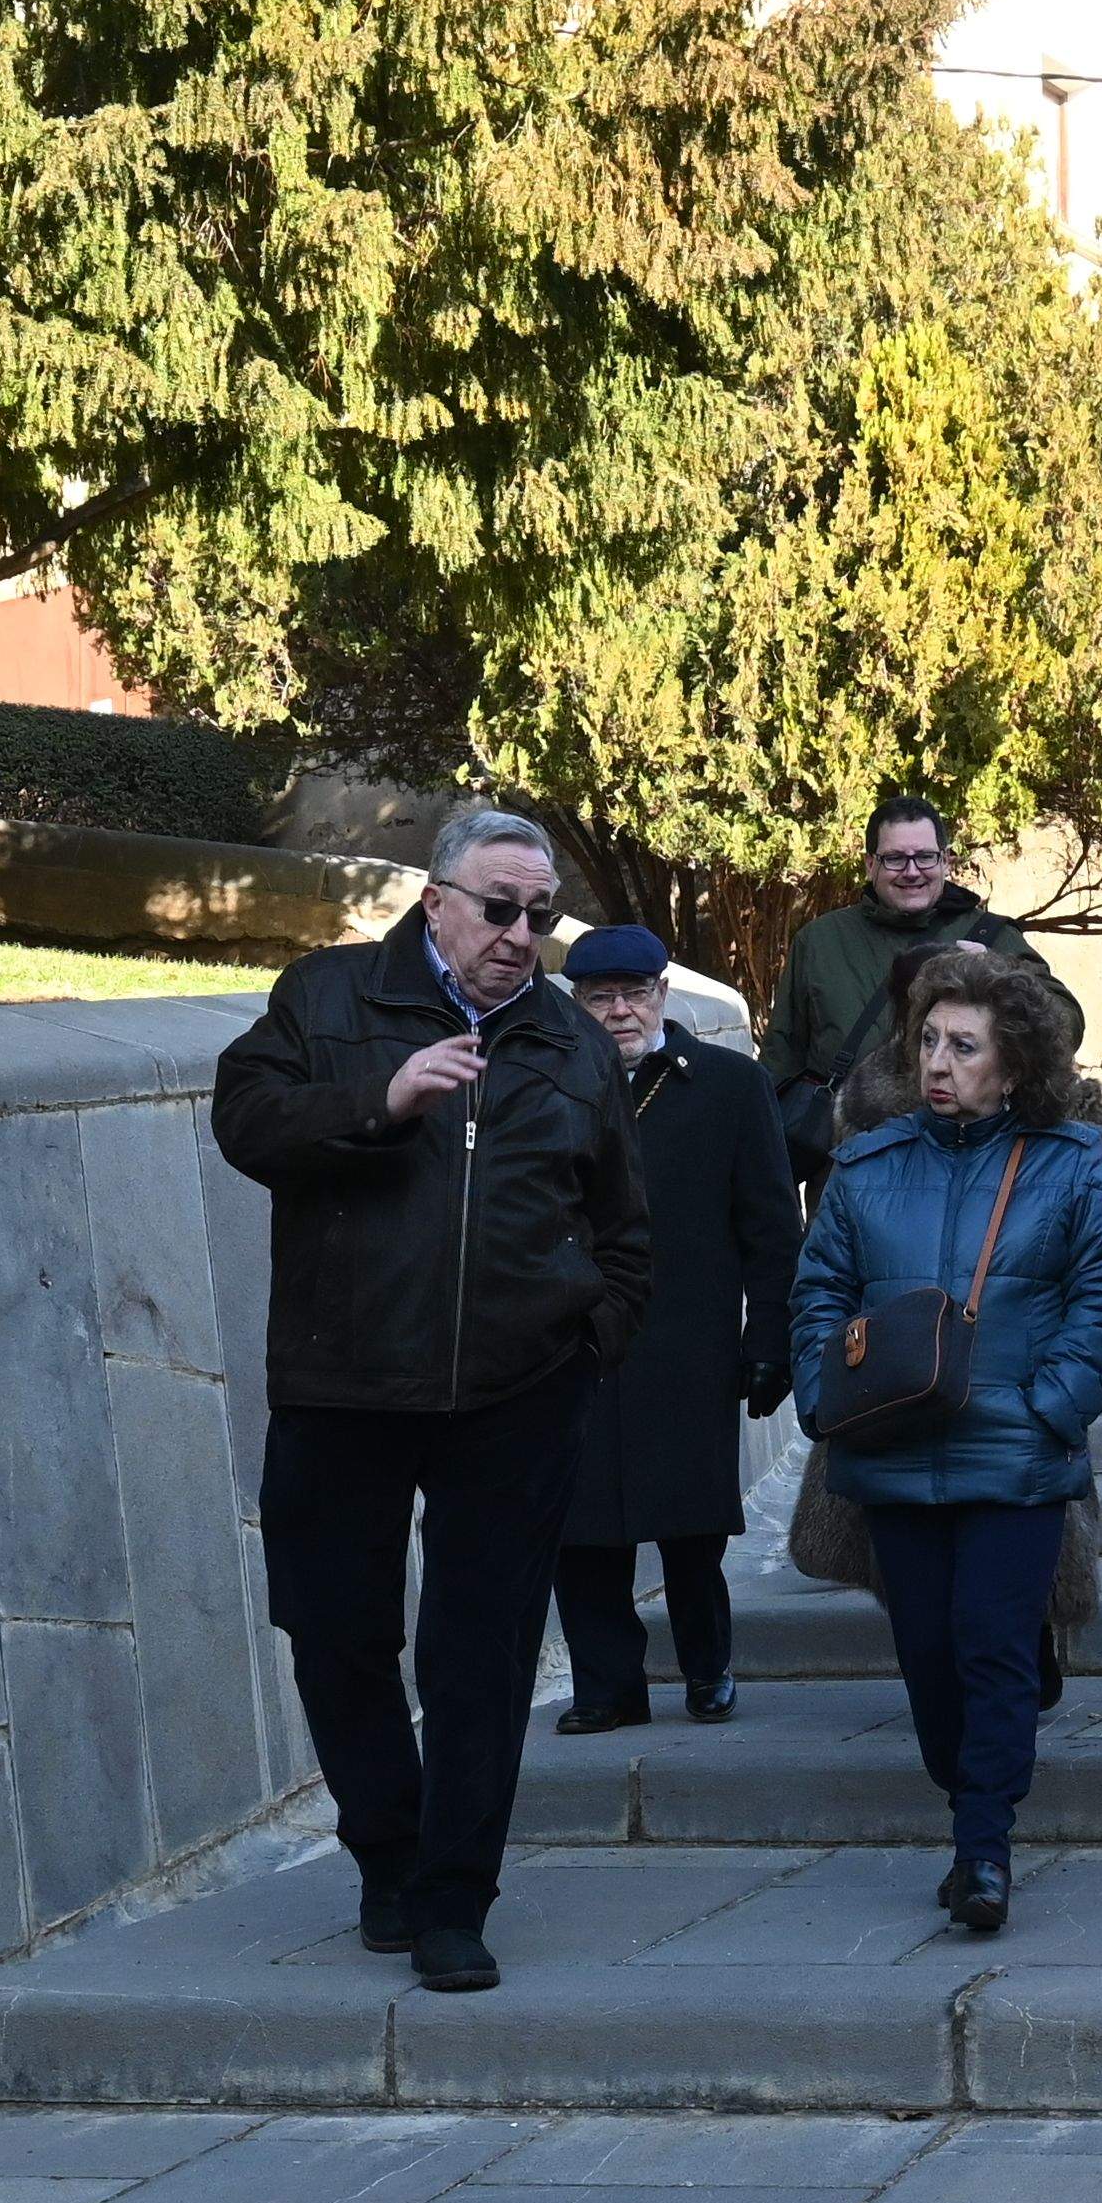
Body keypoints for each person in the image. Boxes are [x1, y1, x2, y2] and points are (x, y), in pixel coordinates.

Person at [212, 806, 650, 1996]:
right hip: (342, 1379)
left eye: (540, 916)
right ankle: (386, 1855)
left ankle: (456, 1897)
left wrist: (589, 1334)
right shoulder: (328, 997)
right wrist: (383, 1096)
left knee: (482, 1654)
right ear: (435, 900)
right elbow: (244, 1121)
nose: (519, 935)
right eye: (499, 908)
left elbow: (624, 1229)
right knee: (335, 1631)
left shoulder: (567, 1044)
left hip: (515, 1394)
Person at [791, 951, 1102, 1934]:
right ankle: (968, 1789)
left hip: (1016, 1453)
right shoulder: (868, 1165)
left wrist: (1054, 1405)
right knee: (928, 1658)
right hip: (895, 1452)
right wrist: (824, 1390)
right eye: (928, 1042)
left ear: (1013, 1062)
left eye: (965, 1045)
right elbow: (819, 1287)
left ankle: (983, 1845)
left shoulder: (1072, 1163)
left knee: (993, 1648)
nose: (939, 1061)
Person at [547, 925, 798, 1730]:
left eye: (635, 993)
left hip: (688, 1336)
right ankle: (607, 1687)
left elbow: (769, 1227)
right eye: (600, 997)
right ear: (576, 1003)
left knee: (691, 1526)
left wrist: (770, 1342)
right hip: (571, 1339)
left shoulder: (728, 1084)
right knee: (579, 1529)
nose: (620, 1011)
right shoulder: (547, 1082)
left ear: (662, 993)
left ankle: (706, 1667)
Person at [753, 794, 1079, 1198]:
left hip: (969, 1174)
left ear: (946, 861)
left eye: (925, 857)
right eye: (895, 859)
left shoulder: (993, 938)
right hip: (848, 1172)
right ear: (871, 865)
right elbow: (780, 1059)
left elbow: (1066, 1025)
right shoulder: (819, 942)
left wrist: (1004, 975)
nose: (911, 871)